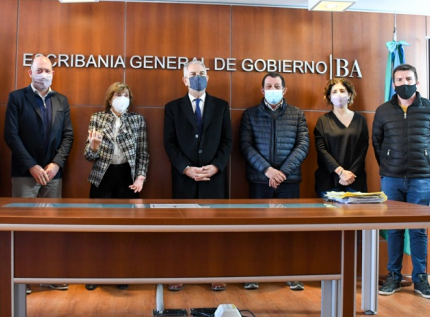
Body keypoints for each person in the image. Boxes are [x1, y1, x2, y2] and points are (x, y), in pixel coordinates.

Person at [372, 63, 430, 299]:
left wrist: (427, 168)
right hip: (391, 179)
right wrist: (388, 167)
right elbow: (377, 143)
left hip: (421, 179)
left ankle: (420, 279)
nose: (404, 84)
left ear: (417, 82)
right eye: (400, 80)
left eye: (408, 79)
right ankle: (393, 277)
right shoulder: (383, 110)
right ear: (393, 84)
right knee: (393, 230)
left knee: (418, 230)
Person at [5, 54, 74, 292]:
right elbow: (11, 135)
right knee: (23, 227)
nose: (43, 74)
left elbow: (68, 136)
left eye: (47, 70)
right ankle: (21, 279)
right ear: (30, 73)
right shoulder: (16, 98)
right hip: (26, 174)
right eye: (39, 70)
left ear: (53, 73)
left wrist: (56, 164)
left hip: (53, 175)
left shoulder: (62, 100)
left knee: (51, 227)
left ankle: (50, 274)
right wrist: (32, 166)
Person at [163, 58, 232, 292]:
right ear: (184, 79)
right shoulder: (172, 108)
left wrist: (216, 166)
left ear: (208, 76)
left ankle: (215, 273)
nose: (198, 77)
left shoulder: (222, 106)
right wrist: (185, 168)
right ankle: (179, 272)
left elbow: (227, 142)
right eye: (193, 74)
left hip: (214, 177)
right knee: (182, 228)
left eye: (201, 73)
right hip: (184, 177)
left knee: (214, 230)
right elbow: (169, 143)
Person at [239, 72, 309, 290]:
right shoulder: (250, 114)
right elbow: (246, 146)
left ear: (284, 90)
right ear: (262, 90)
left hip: (289, 182)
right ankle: (254, 273)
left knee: (290, 229)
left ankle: (291, 273)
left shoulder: (297, 114)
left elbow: (302, 146)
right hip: (260, 180)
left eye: (276, 86)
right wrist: (268, 170)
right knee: (257, 229)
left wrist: (282, 173)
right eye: (268, 86)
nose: (272, 89)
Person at [84, 82, 149, 291]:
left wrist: (140, 177)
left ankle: (122, 273)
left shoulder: (137, 120)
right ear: (110, 98)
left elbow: (143, 153)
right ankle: (94, 274)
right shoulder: (98, 118)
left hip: (126, 178)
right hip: (102, 177)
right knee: (97, 229)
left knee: (125, 230)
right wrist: (93, 148)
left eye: (126, 95)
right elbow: (88, 156)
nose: (122, 98)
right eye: (118, 94)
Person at [314, 78, 369, 196]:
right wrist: (340, 172)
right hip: (329, 181)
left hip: (355, 179)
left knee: (356, 214)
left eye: (342, 91)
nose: (339, 94)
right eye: (334, 92)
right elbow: (321, 151)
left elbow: (363, 150)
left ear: (349, 94)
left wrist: (350, 174)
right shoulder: (323, 121)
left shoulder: (360, 120)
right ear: (329, 97)